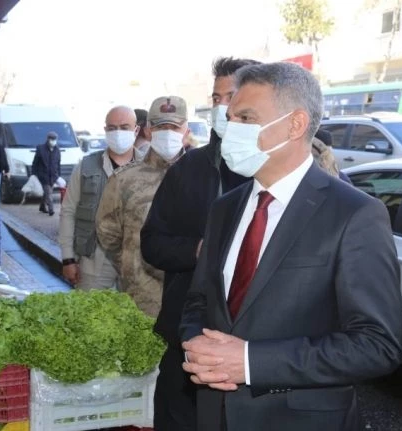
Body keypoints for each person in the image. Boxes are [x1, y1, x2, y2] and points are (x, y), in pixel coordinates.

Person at [180, 62, 402, 431]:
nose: (230, 129)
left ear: (295, 124)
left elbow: (376, 345)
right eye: (230, 118)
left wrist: (250, 362)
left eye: (246, 118)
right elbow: (198, 301)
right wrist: (197, 347)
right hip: (215, 413)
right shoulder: (224, 209)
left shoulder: (354, 214)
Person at [140, 56, 260, 431]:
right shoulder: (188, 169)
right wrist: (198, 250)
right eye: (216, 98)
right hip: (187, 335)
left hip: (255, 349)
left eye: (231, 97)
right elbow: (152, 244)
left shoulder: (280, 174)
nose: (223, 108)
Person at [96, 96, 189, 317]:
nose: (167, 133)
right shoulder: (124, 179)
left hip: (189, 301)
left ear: (186, 130)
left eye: (174, 127)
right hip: (141, 300)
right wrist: (132, 263)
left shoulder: (203, 176)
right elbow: (107, 233)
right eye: (160, 127)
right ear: (148, 130)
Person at [58, 106, 139, 290]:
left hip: (137, 264)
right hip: (94, 261)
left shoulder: (149, 167)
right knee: (89, 308)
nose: (118, 132)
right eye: (112, 128)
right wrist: (68, 258)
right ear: (105, 130)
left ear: (136, 130)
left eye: (124, 127)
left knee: (135, 309)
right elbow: (68, 211)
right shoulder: (86, 166)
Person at [32, 131, 61, 216]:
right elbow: (35, 162)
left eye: (55, 139)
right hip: (43, 175)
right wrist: (34, 174)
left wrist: (58, 175)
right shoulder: (40, 149)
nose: (53, 141)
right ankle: (51, 209)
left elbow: (58, 163)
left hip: (53, 175)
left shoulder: (57, 150)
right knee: (49, 192)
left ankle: (42, 206)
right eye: (52, 139)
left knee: (46, 192)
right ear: (48, 139)